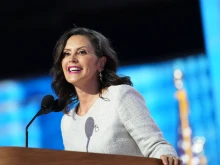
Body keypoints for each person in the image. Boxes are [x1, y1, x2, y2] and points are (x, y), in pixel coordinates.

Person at [50, 27, 182, 165]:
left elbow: (155, 145)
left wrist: (166, 155)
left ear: (100, 63)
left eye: (82, 52)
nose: (72, 59)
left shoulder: (120, 96)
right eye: (66, 54)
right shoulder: (68, 120)